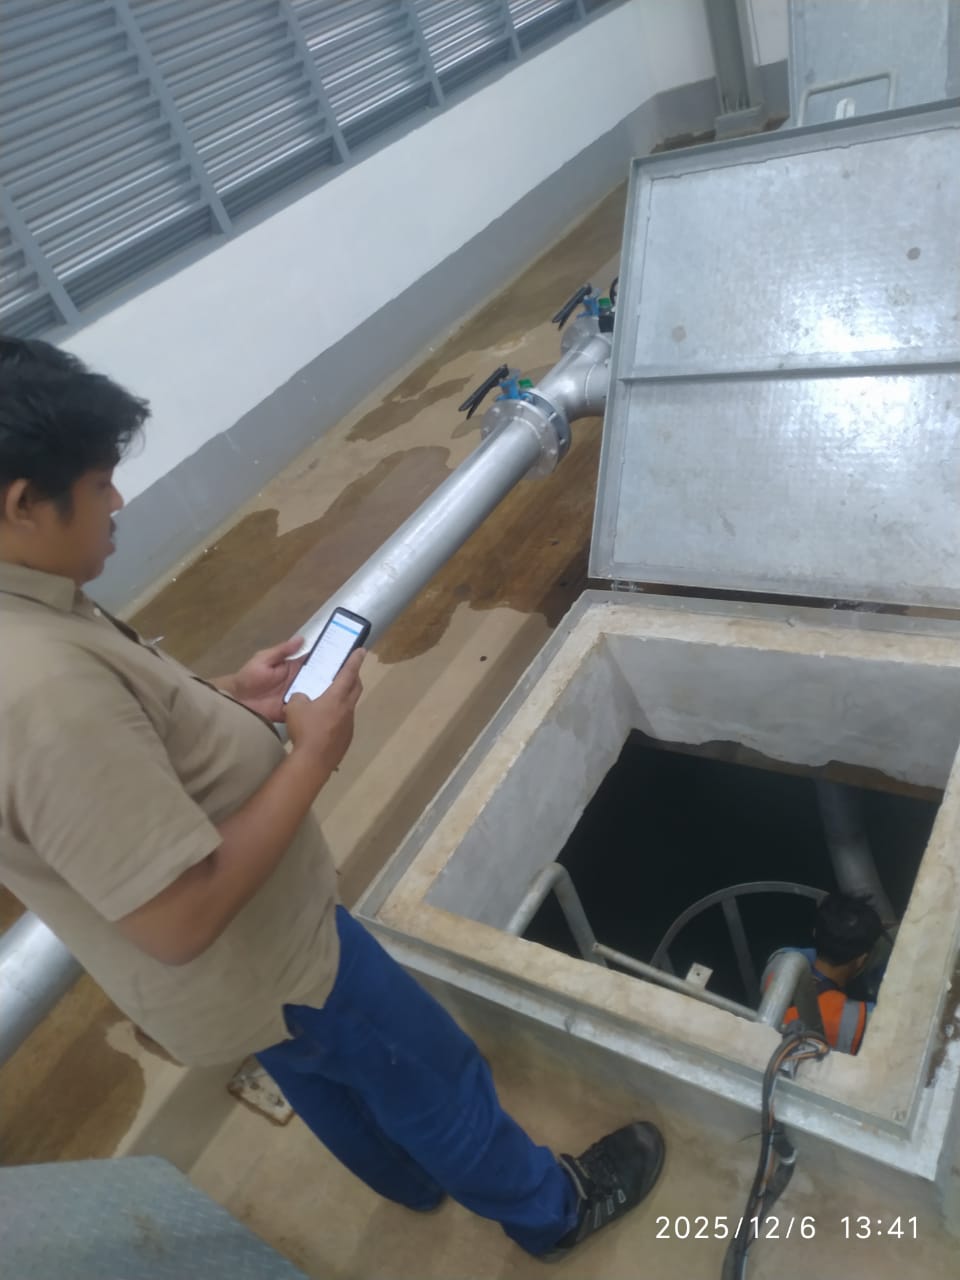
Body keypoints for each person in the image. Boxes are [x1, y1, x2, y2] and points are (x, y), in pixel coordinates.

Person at [0, 337, 664, 1258]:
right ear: (21, 503)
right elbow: (179, 916)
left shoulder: (33, 610)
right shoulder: (41, 690)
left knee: (323, 1074)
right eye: (100, 483)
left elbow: (122, 743)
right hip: (271, 959)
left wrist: (225, 698)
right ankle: (552, 1213)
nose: (117, 503)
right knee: (432, 1075)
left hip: (243, 993)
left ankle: (409, 1179)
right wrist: (313, 755)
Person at [766, 892, 887, 1054]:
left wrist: (833, 936)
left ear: (815, 932)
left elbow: (797, 954)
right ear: (861, 960)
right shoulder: (862, 1018)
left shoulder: (778, 965)